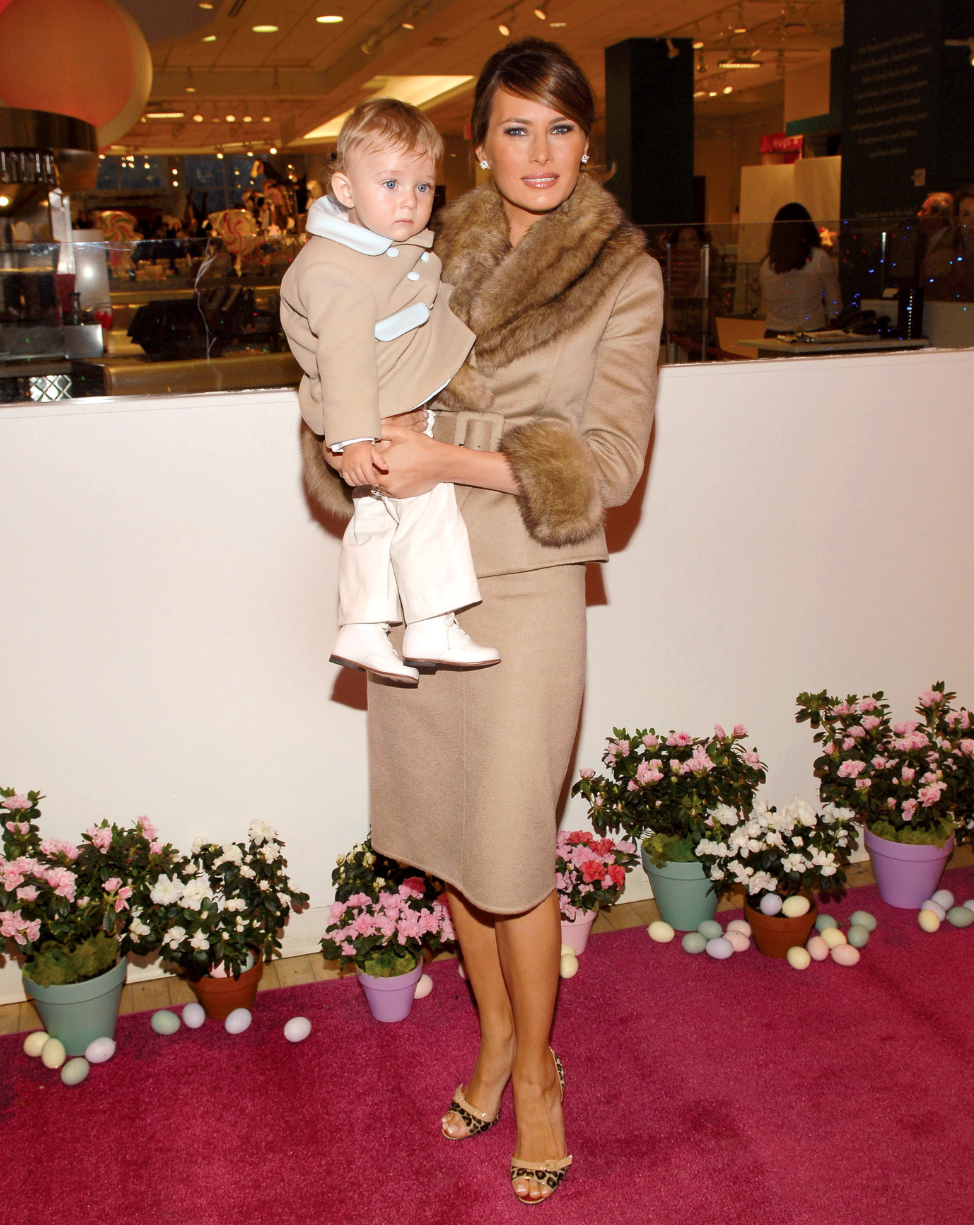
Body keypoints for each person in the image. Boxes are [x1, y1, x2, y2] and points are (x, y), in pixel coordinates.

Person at [301, 38, 662, 1203]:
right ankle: (495, 1038)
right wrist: (345, 441)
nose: (538, 151)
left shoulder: (622, 275)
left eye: (559, 127)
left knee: (510, 846)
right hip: (420, 573)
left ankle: (540, 1074)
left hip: (527, 578)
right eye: (514, 127)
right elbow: (345, 361)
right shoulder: (413, 238)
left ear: (587, 140)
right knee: (455, 837)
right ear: (479, 143)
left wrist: (447, 453)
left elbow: (607, 465)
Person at [281, 100, 499, 681]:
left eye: (423, 186)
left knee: (377, 519)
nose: (410, 200)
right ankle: (432, 621)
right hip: (375, 412)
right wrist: (353, 438)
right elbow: (343, 358)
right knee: (429, 505)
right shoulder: (337, 268)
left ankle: (361, 626)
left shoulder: (371, 248)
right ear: (345, 190)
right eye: (390, 183)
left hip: (383, 406)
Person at [759, 202, 841, 335]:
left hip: (773, 334)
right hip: (810, 333)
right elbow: (834, 305)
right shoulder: (819, 258)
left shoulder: (767, 264)